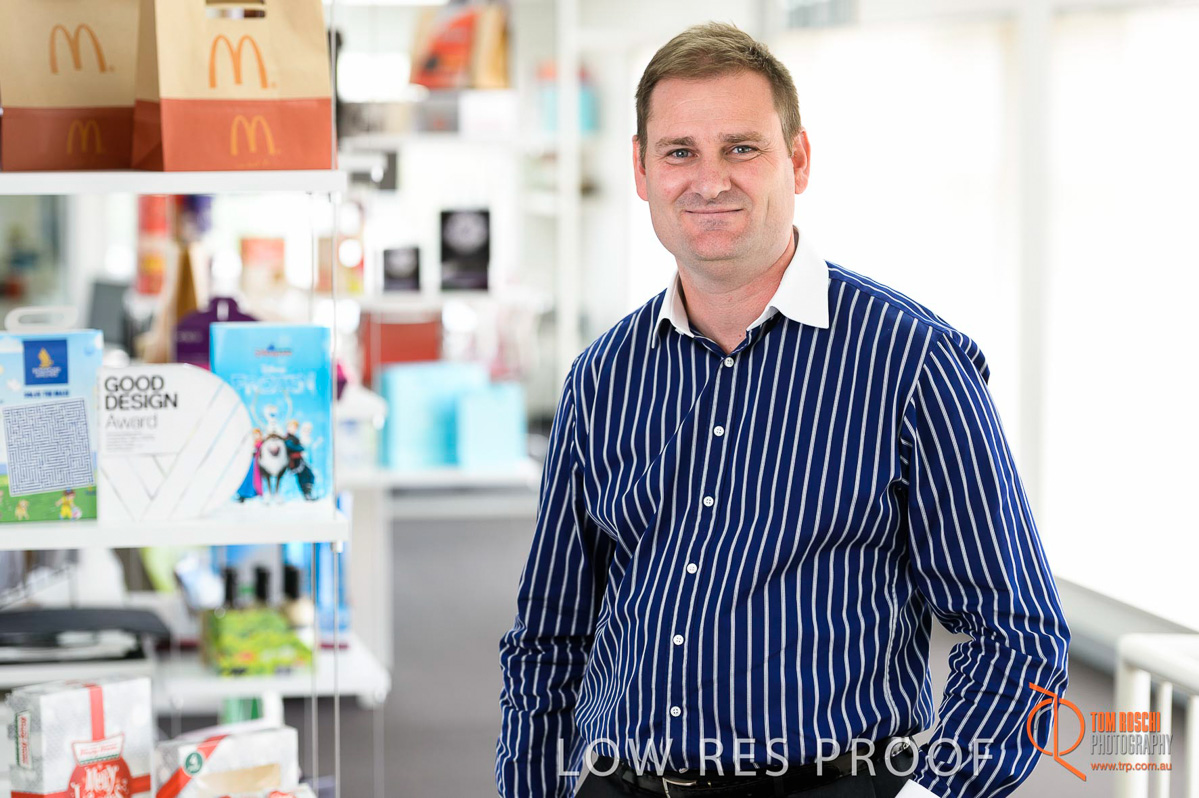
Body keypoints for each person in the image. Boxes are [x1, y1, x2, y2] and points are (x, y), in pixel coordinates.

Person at [497, 22, 1070, 798]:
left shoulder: (911, 363)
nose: (708, 181)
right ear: (640, 170)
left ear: (797, 160)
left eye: (740, 148)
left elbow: (1017, 633)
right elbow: (547, 638)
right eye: (678, 153)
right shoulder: (602, 377)